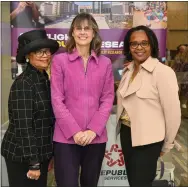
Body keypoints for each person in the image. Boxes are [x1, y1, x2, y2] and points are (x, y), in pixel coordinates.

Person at [50, 12, 114, 187]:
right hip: (66, 138)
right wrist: (75, 132)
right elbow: (57, 99)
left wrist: (93, 130)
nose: (83, 32)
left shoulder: (105, 63)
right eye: (78, 28)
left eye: (87, 28)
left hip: (96, 138)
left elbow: (107, 99)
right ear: (72, 32)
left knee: (90, 183)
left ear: (94, 33)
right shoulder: (59, 61)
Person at [116, 25, 181, 187]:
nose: (139, 48)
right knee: (133, 181)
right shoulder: (128, 71)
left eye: (144, 43)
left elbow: (173, 113)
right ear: (128, 47)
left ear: (151, 45)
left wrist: (167, 143)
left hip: (149, 140)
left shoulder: (163, 72)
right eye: (134, 44)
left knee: (140, 183)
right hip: (127, 133)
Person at [1, 30, 59, 187]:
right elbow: (23, 126)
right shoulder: (24, 83)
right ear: (28, 55)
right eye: (39, 52)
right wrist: (33, 162)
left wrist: (48, 155)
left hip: (40, 154)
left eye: (47, 51)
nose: (46, 55)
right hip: (23, 156)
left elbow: (47, 120)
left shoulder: (43, 78)